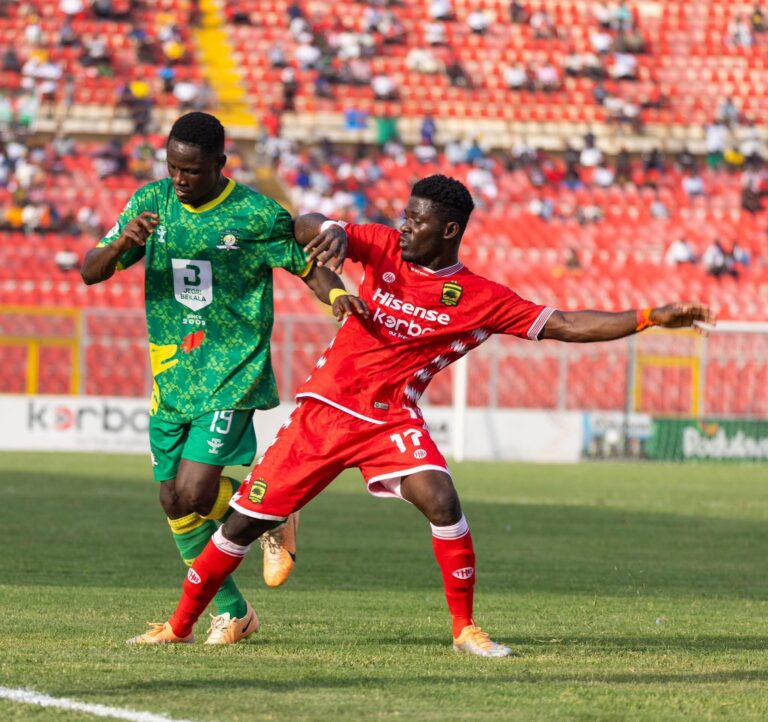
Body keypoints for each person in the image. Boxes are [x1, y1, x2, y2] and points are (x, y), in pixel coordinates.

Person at [126, 175, 714, 655]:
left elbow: (564, 324)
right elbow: (305, 224)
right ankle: (178, 626)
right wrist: (331, 231)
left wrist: (649, 318)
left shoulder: (483, 298)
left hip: (391, 420)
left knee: (442, 499)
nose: (404, 227)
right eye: (404, 217)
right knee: (240, 527)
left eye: (416, 220)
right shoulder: (383, 246)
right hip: (325, 412)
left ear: (449, 230)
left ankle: (465, 629)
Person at [81, 112, 356, 644]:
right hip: (171, 376)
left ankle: (270, 511)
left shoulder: (255, 214)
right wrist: (119, 245)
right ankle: (234, 611)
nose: (179, 179)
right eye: (172, 167)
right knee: (173, 501)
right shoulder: (151, 202)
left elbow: (307, 266)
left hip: (231, 372)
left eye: (191, 170)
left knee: (194, 489)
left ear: (219, 164)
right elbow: (91, 271)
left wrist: (339, 295)